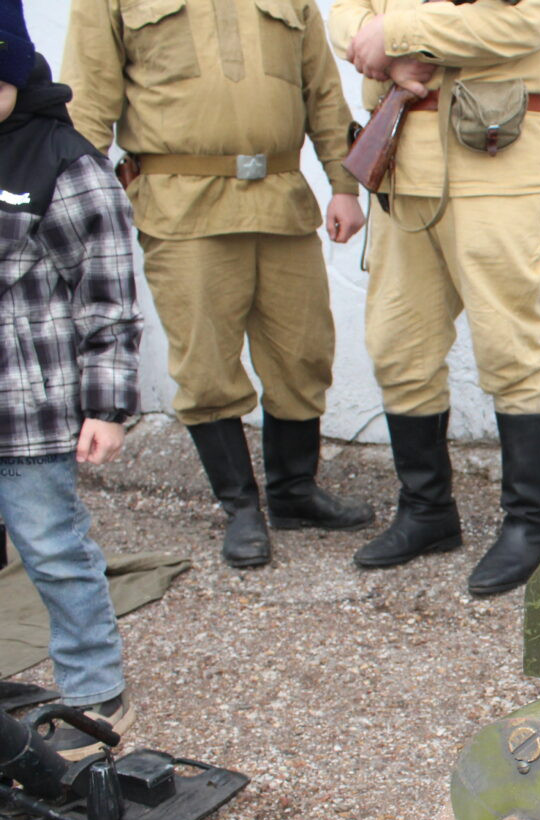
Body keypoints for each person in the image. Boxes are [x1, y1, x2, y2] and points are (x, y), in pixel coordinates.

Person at [61, 0, 373, 570]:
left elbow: (323, 91)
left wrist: (343, 184)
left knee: (303, 353)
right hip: (180, 205)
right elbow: (88, 99)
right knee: (205, 365)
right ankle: (241, 508)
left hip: (280, 197)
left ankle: (293, 493)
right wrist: (75, 202)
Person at [329, 0, 540, 596]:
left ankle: (528, 527)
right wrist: (375, 45)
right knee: (398, 344)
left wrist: (396, 33)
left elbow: (529, 21)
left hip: (501, 165)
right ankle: (427, 512)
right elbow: (347, 13)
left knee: (510, 348)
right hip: (400, 163)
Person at [0, 2, 140, 760]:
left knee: (53, 550)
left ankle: (93, 687)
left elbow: (108, 296)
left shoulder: (65, 163)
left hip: (28, 417)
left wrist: (107, 408)